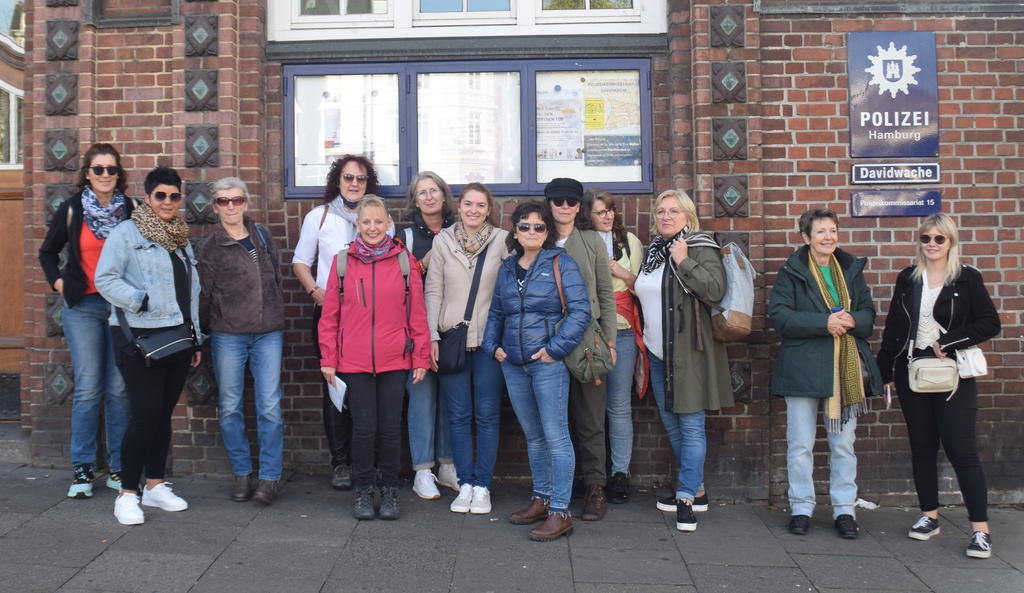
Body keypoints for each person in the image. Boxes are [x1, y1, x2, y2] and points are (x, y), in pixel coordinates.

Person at [877, 213, 1000, 559]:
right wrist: (884, 372)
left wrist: (950, 340)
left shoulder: (967, 277)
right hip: (912, 371)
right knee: (922, 448)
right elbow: (894, 328)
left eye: (939, 238)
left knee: (962, 451)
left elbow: (990, 323)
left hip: (952, 372)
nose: (932, 244)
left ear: (951, 242)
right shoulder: (908, 278)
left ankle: (980, 531)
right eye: (926, 238)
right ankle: (929, 516)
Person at [94, 166, 202, 525]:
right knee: (144, 413)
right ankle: (127, 494)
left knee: (163, 413)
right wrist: (138, 300)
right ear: (147, 197)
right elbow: (104, 278)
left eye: (174, 196)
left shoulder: (180, 237)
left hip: (178, 337)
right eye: (161, 195)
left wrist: (195, 337)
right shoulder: (126, 233)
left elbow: (191, 291)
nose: (167, 201)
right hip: (138, 337)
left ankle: (154, 485)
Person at [768, 207, 882, 540]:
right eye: (820, 231)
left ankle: (844, 510)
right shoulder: (792, 270)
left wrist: (853, 320)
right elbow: (781, 317)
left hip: (844, 369)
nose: (828, 237)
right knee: (800, 445)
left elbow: (868, 314)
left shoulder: (850, 269)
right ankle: (801, 508)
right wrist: (824, 323)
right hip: (802, 369)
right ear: (806, 237)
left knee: (843, 445)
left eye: (832, 230)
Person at [482, 201, 591, 541]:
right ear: (515, 232)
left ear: (547, 232)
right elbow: (497, 313)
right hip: (513, 364)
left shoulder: (562, 263)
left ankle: (560, 511)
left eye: (539, 226)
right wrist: (492, 345)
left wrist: (554, 349)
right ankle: (542, 499)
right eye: (524, 226)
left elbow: (580, 311)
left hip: (547, 364)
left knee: (556, 438)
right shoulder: (507, 268)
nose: (531, 231)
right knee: (534, 437)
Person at [318, 196, 430, 521]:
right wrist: (329, 357)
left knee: (390, 428)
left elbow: (417, 314)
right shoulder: (342, 262)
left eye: (378, 221)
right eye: (366, 222)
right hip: (353, 361)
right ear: (357, 224)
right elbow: (329, 316)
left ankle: (390, 489)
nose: (372, 227)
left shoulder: (405, 262)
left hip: (396, 358)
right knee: (364, 428)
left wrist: (421, 356)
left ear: (388, 223)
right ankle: (365, 490)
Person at [633, 190, 733, 532]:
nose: (666, 216)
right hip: (657, 352)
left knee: (691, 424)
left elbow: (716, 289)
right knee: (672, 423)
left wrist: (684, 260)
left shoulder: (699, 246)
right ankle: (697, 489)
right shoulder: (653, 252)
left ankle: (686, 497)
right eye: (660, 211)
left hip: (687, 352)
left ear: (688, 216)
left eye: (674, 211)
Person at [39, 143, 134, 499]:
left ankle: (119, 466)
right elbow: (47, 252)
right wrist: (60, 283)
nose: (105, 175)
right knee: (89, 386)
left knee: (119, 388)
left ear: (119, 174)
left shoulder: (132, 210)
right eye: (98, 169)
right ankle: (82, 467)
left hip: (121, 308)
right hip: (83, 307)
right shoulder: (72, 209)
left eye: (111, 169)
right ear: (87, 174)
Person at [292, 155, 393, 491]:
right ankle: (341, 463)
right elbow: (300, 261)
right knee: (335, 387)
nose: (354, 183)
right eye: (348, 177)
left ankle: (371, 463)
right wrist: (315, 291)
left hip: (371, 321)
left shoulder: (381, 221)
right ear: (337, 180)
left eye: (361, 178)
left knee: (372, 390)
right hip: (331, 317)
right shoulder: (319, 217)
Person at [197, 178, 285, 504]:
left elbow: (276, 277)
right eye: (223, 201)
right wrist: (205, 332)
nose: (231, 206)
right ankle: (242, 473)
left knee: (270, 406)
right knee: (230, 406)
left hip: (268, 334)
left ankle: (270, 478)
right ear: (215, 207)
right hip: (228, 335)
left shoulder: (262, 236)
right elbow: (204, 296)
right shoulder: (210, 248)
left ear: (246, 203)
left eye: (236, 200)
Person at [424, 182, 509, 514]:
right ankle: (465, 483)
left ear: (489, 210)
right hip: (451, 340)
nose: (474, 210)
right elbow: (434, 290)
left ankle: (483, 485)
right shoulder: (442, 241)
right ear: (458, 207)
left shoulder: (503, 241)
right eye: (468, 204)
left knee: (487, 416)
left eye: (481, 205)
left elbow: (512, 288)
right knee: (458, 416)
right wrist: (432, 335)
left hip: (489, 342)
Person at [543, 178, 617, 521]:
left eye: (571, 201)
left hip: (587, 340)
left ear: (579, 206)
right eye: (558, 200)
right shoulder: (537, 236)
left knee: (591, 418)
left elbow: (606, 293)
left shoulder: (591, 241)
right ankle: (556, 487)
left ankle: (595, 487)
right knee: (553, 420)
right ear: (549, 203)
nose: (564, 206)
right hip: (547, 341)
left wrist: (610, 341)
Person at [584, 188, 647, 504]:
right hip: (588, 336)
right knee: (588, 408)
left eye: (610, 210)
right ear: (588, 216)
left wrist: (619, 271)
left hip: (622, 333)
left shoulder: (629, 242)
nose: (607, 216)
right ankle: (590, 476)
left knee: (618, 406)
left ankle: (620, 474)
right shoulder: (581, 241)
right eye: (600, 211)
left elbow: (644, 287)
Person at [403, 171, 458, 500]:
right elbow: (398, 282)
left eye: (434, 190)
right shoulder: (407, 237)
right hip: (417, 330)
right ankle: (422, 471)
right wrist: (422, 265)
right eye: (421, 192)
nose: (429, 197)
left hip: (452, 329)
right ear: (415, 200)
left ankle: (447, 465)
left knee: (451, 399)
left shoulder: (459, 231)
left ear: (444, 194)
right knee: (421, 399)